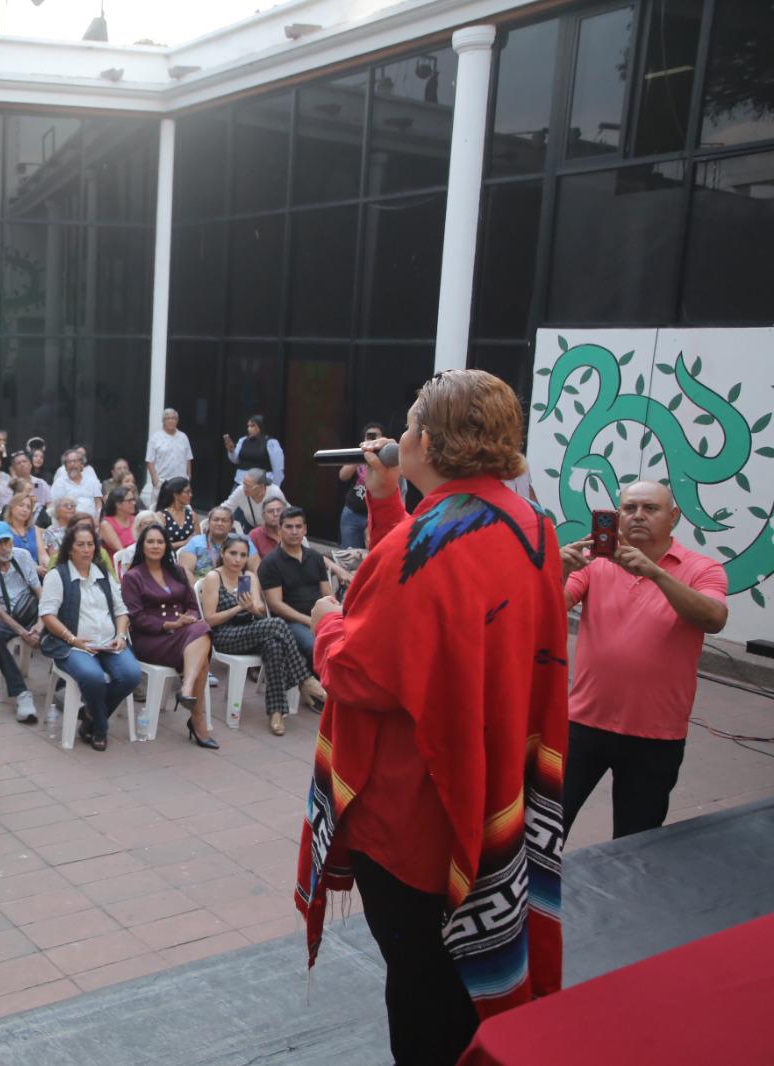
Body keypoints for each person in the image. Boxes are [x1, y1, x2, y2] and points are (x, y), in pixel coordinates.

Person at [296, 370, 568, 1065]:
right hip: (487, 776)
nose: (396, 436)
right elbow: (428, 596)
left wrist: (328, 622)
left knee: (423, 990)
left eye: (410, 424)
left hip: (416, 811)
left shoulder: (431, 543)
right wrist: (388, 502)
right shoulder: (530, 523)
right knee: (450, 980)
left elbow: (364, 669)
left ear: (430, 441)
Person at [561, 480, 728, 840]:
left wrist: (655, 574)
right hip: (583, 722)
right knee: (546, 827)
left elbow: (714, 618)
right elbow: (550, 609)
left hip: (656, 734)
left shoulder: (703, 569)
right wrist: (556, 570)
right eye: (629, 508)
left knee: (636, 845)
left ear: (673, 517)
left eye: (649, 509)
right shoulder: (595, 562)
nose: (637, 516)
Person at [198, 535, 323, 736]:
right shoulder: (214, 577)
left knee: (274, 644)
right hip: (225, 635)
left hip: (252, 631)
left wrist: (253, 608)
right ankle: (305, 679)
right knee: (277, 624)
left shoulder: (248, 577)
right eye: (232, 553)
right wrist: (238, 607)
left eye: (242, 555)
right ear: (223, 553)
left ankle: (276, 712)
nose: (237, 559)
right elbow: (210, 620)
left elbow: (260, 613)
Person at [40, 523, 136, 751]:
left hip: (109, 643)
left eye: (90, 544)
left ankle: (90, 713)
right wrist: (72, 639)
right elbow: (47, 615)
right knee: (93, 678)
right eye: (80, 545)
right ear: (70, 548)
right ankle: (100, 728)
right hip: (72, 645)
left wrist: (121, 635)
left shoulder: (102, 573)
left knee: (131, 675)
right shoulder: (58, 575)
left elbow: (122, 610)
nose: (86, 549)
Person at [122, 524, 217, 748]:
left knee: (200, 629)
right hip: (151, 638)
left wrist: (189, 618)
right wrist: (169, 624)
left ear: (166, 545)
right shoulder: (133, 577)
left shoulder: (178, 572)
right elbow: (136, 618)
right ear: (142, 546)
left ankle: (187, 689)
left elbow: (193, 606)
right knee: (202, 642)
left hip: (184, 632)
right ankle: (197, 718)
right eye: (150, 542)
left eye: (160, 542)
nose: (156, 546)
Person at [0, 521, 43, 723]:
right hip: (5, 615)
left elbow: (40, 593)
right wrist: (22, 632)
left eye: (7, 541)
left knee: (59, 620)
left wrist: (40, 625)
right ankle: (21, 693)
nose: (5, 547)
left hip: (30, 608)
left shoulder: (22, 556)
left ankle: (63, 686)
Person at [258, 506, 332, 661]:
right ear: (279, 530)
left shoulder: (315, 557)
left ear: (305, 529)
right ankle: (317, 685)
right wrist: (308, 620)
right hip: (289, 623)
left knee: (350, 642)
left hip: (319, 618)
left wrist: (328, 618)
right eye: (289, 527)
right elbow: (275, 604)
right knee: (317, 647)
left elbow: (327, 594)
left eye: (298, 527)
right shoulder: (270, 563)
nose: (294, 531)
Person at [178, 506, 237, 582]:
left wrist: (243, 593)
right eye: (216, 520)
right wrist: (198, 592)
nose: (219, 523)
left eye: (224, 521)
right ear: (209, 523)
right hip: (201, 587)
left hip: (232, 588)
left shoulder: (240, 544)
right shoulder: (196, 542)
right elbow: (186, 571)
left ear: (231, 525)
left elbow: (250, 571)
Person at [225, 414, 284, 489]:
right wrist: (231, 451)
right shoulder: (243, 440)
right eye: (248, 426)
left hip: (261, 485)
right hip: (240, 483)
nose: (249, 429)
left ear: (261, 427)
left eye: (252, 426)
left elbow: (278, 469)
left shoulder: (271, 443)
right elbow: (236, 460)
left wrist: (275, 488)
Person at [50, 448, 103, 515]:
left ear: (82, 465)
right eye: (69, 462)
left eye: (75, 461)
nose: (72, 464)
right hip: (69, 523)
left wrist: (97, 519)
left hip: (91, 522)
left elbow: (98, 503)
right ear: (65, 467)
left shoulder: (92, 481)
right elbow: (53, 505)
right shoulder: (59, 483)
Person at [154, 477, 198, 554]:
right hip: (167, 556)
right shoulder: (162, 516)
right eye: (187, 492)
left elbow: (198, 539)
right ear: (176, 495)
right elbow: (158, 543)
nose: (190, 495)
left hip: (189, 555)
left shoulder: (192, 515)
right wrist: (185, 542)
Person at [2, 493, 43, 573]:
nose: (25, 510)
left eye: (28, 507)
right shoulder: (4, 529)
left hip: (38, 573)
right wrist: (35, 569)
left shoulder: (34, 529)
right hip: (15, 575)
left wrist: (48, 566)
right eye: (21, 505)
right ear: (12, 507)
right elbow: (9, 560)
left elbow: (42, 555)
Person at [100, 486, 140, 556]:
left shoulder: (136, 519)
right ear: (118, 504)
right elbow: (120, 551)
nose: (134, 503)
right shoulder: (106, 524)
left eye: (133, 500)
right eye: (129, 501)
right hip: (120, 563)